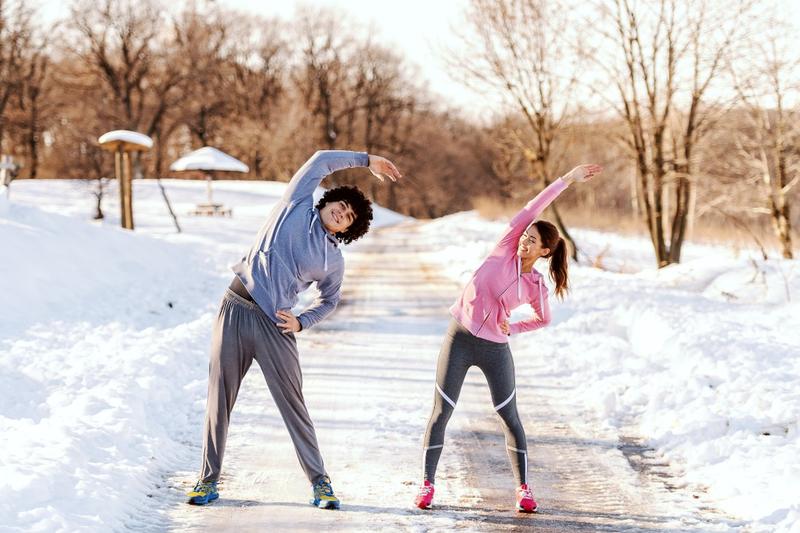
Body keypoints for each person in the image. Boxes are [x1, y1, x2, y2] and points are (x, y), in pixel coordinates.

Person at [187, 150, 402, 509]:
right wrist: (367, 161)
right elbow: (320, 160)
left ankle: (320, 483)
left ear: (348, 230)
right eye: (341, 206)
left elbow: (329, 300)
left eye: (348, 218)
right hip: (234, 309)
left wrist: (302, 321)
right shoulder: (296, 204)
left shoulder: (332, 259)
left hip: (276, 326)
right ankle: (207, 480)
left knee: (293, 405)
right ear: (328, 200)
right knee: (219, 398)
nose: (342, 214)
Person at [414, 164, 603, 513]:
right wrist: (566, 180)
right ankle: (427, 484)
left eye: (533, 239)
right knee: (442, 411)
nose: (525, 240)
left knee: (509, 416)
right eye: (525, 235)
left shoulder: (535, 286)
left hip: (494, 349)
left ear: (545, 251)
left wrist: (512, 328)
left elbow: (543, 319)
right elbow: (533, 206)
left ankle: (524, 489)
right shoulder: (504, 247)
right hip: (459, 336)